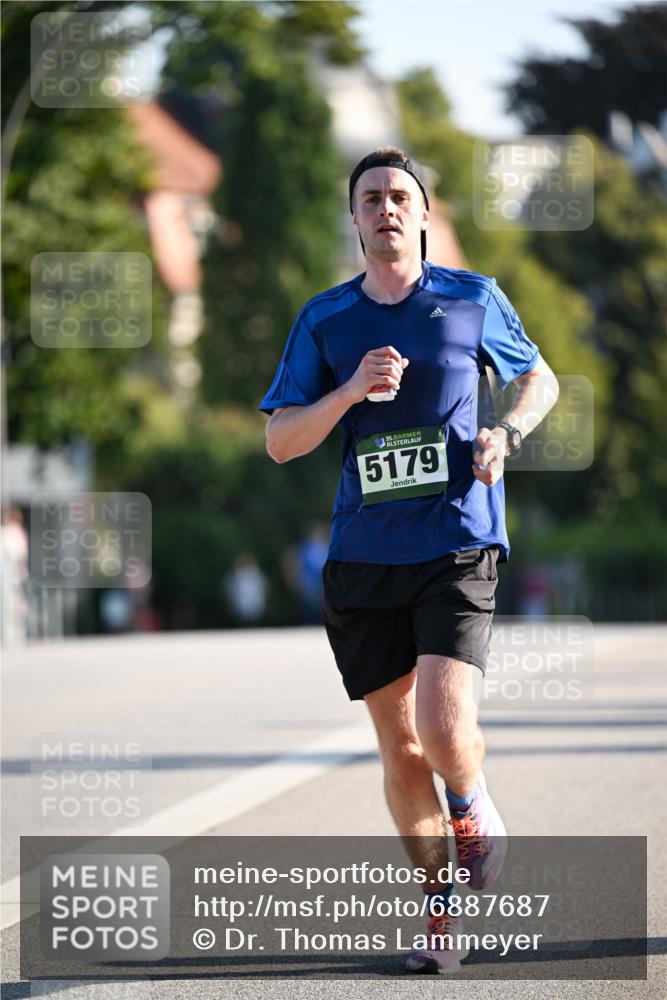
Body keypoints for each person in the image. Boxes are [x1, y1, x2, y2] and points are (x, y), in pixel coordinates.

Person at [259, 147, 559, 974]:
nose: (386, 209)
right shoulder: (325, 321)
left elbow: (538, 378)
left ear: (423, 214)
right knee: (398, 751)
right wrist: (349, 392)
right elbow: (281, 440)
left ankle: (470, 805)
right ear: (353, 219)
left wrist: (506, 431)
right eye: (370, 199)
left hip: (458, 537)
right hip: (363, 556)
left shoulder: (472, 298)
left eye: (399, 196)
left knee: (440, 725)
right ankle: (440, 919)